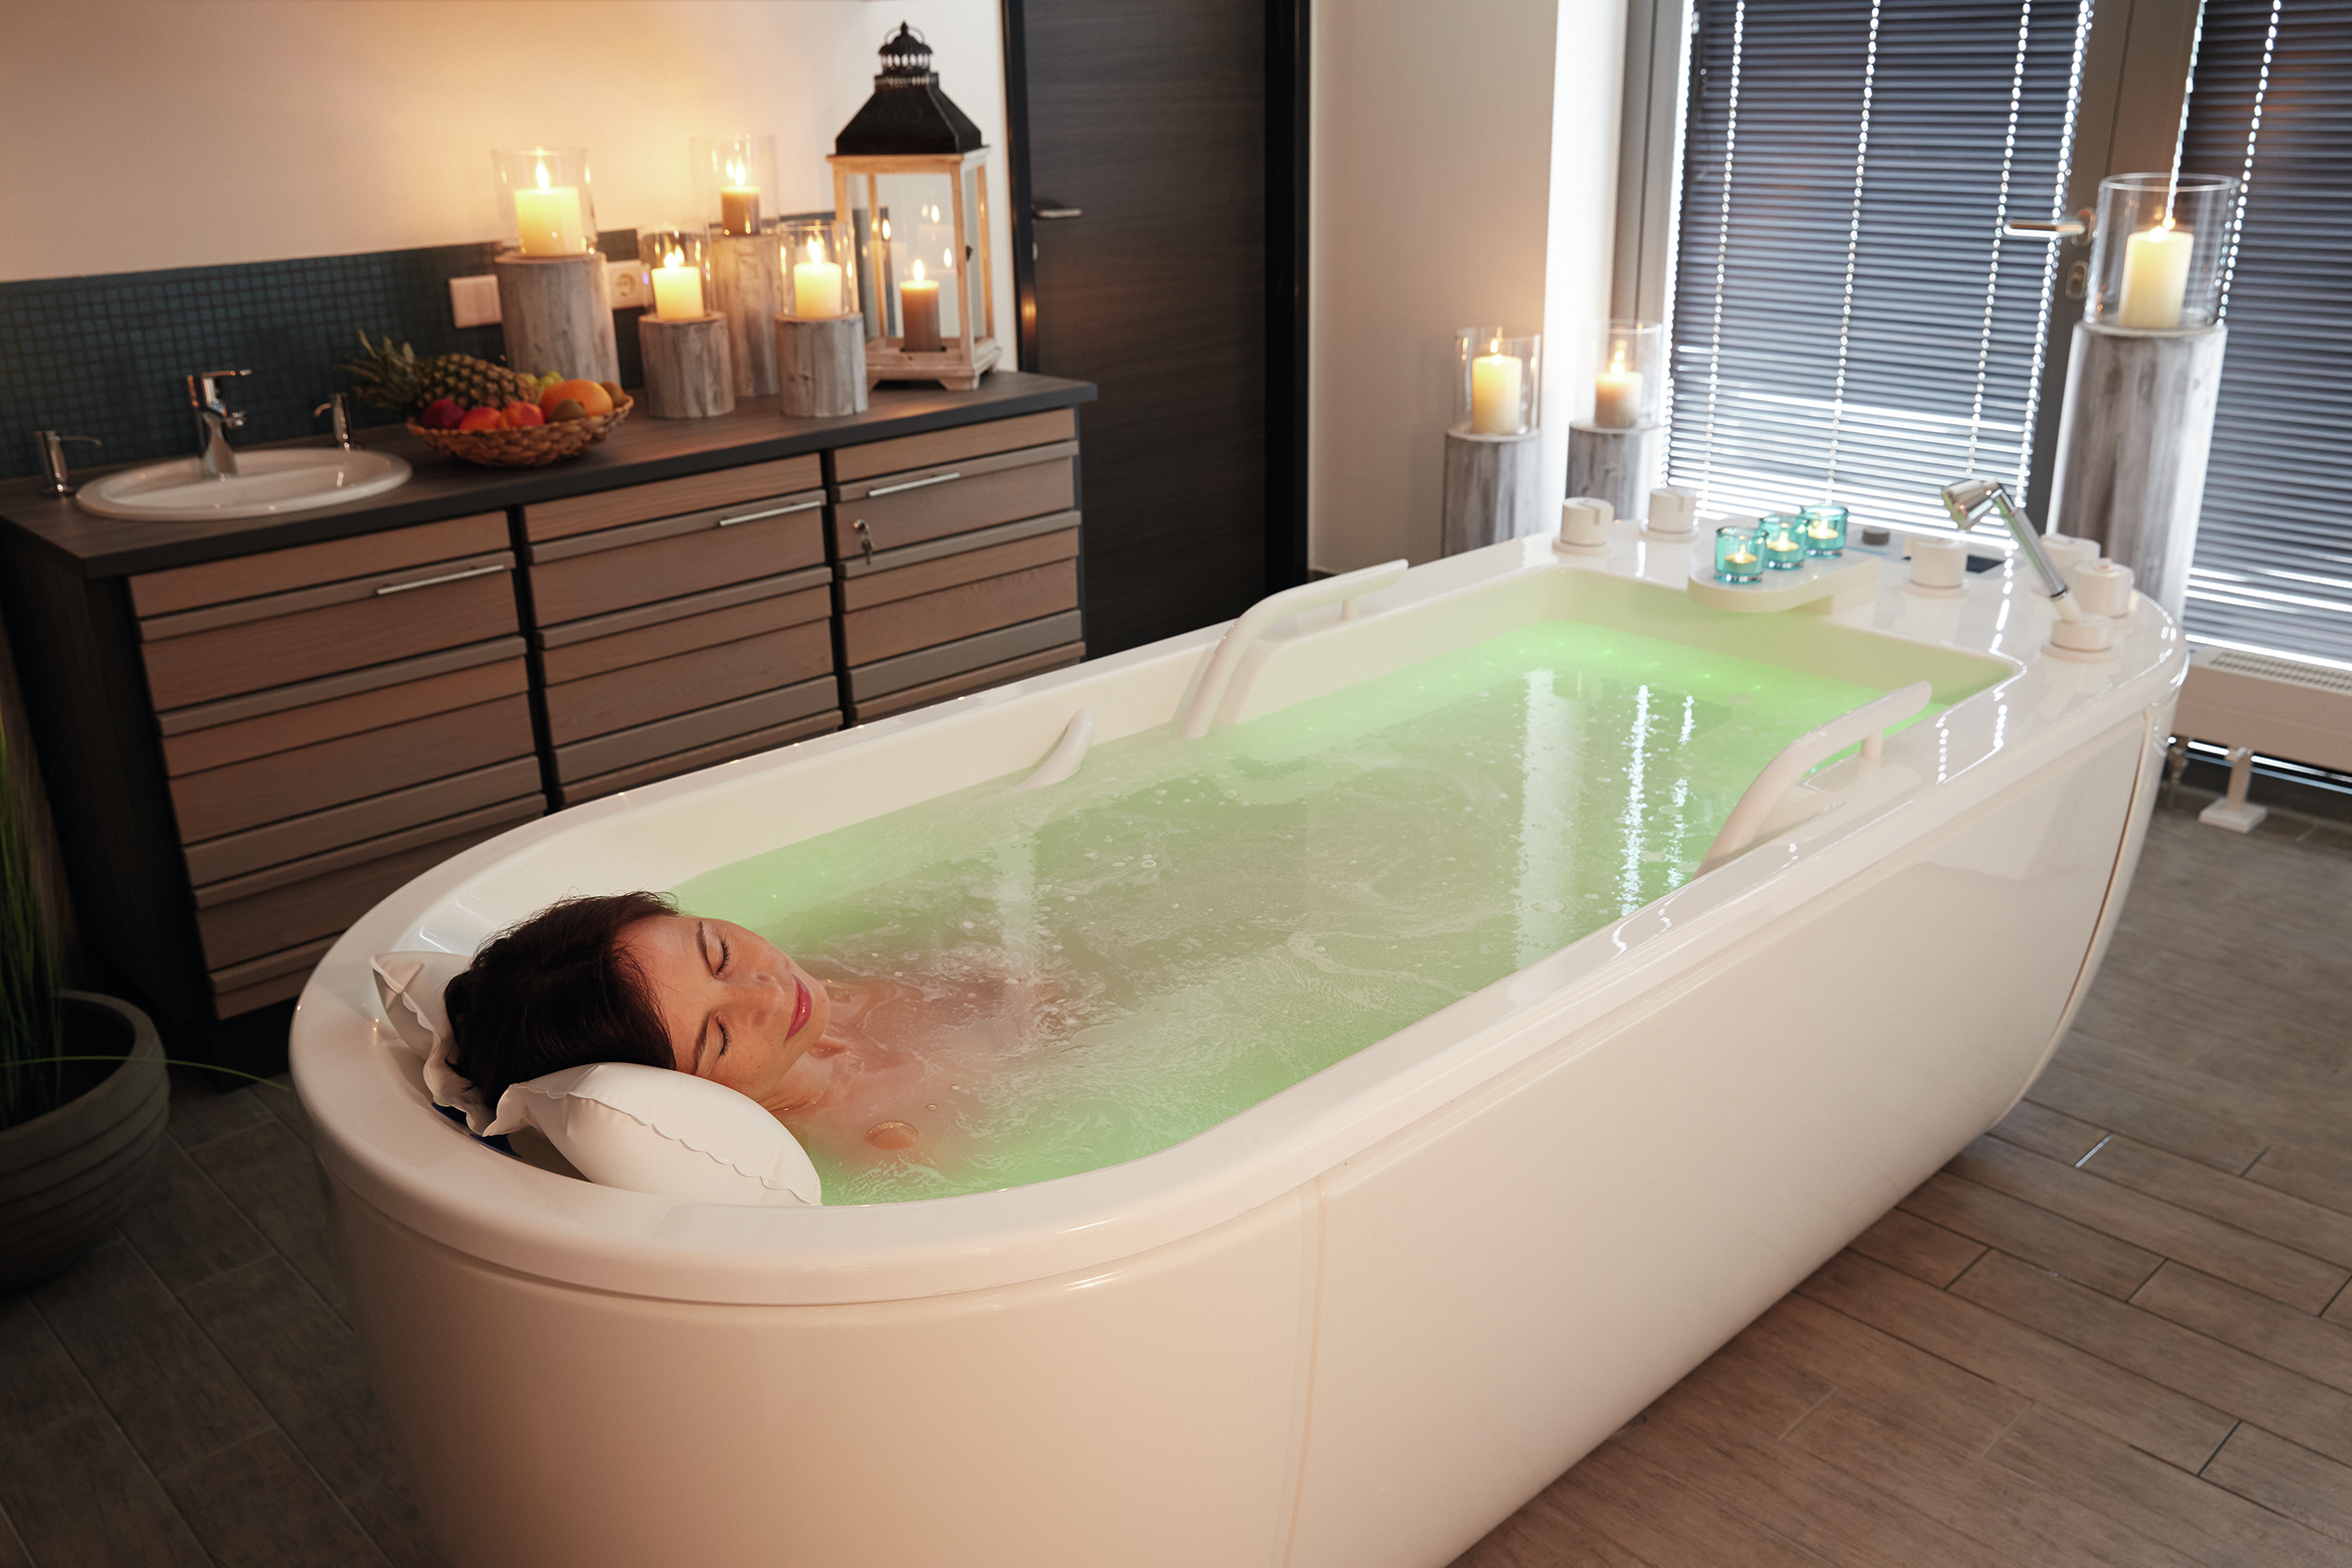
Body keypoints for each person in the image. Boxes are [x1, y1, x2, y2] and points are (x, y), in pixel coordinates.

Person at [444, 891, 1045, 1167]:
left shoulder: (820, 980)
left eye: (721, 954)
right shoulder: (885, 1143)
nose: (769, 993)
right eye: (719, 1038)